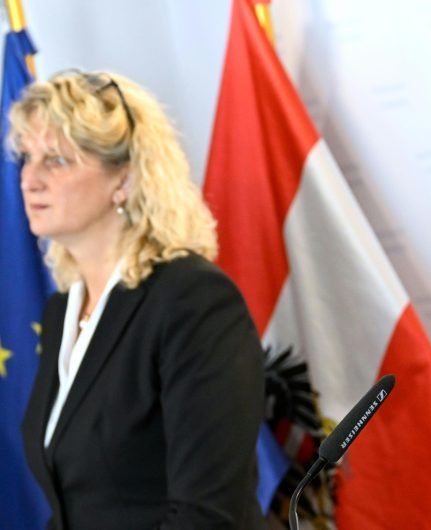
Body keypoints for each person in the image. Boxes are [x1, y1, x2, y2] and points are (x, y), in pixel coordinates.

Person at [13, 70, 265, 529]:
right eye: (27, 158)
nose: (30, 180)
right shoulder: (61, 312)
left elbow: (208, 517)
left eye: (57, 160)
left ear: (125, 179)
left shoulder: (192, 301)